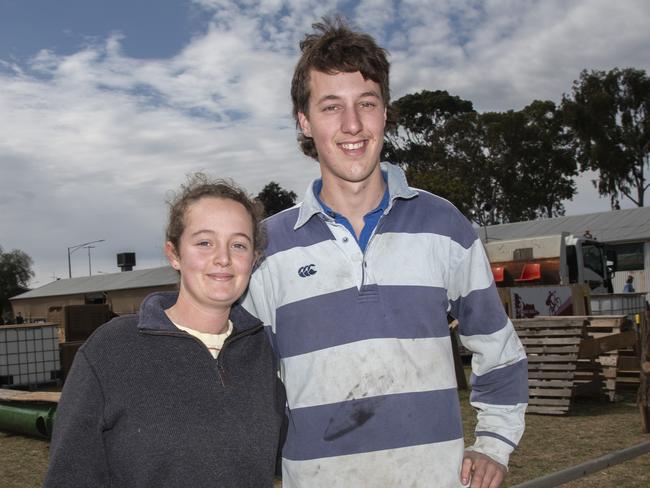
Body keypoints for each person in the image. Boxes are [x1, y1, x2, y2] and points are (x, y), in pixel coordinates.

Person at [242, 17, 528, 488]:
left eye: (366, 104)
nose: (352, 125)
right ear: (304, 121)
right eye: (331, 106)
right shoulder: (268, 249)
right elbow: (236, 379)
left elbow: (499, 351)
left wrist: (494, 443)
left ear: (384, 113)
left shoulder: (445, 227)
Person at [44, 174, 285, 488]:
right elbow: (69, 477)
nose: (223, 258)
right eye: (204, 242)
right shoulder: (111, 350)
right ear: (174, 254)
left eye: (238, 245)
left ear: (253, 261)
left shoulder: (259, 352)